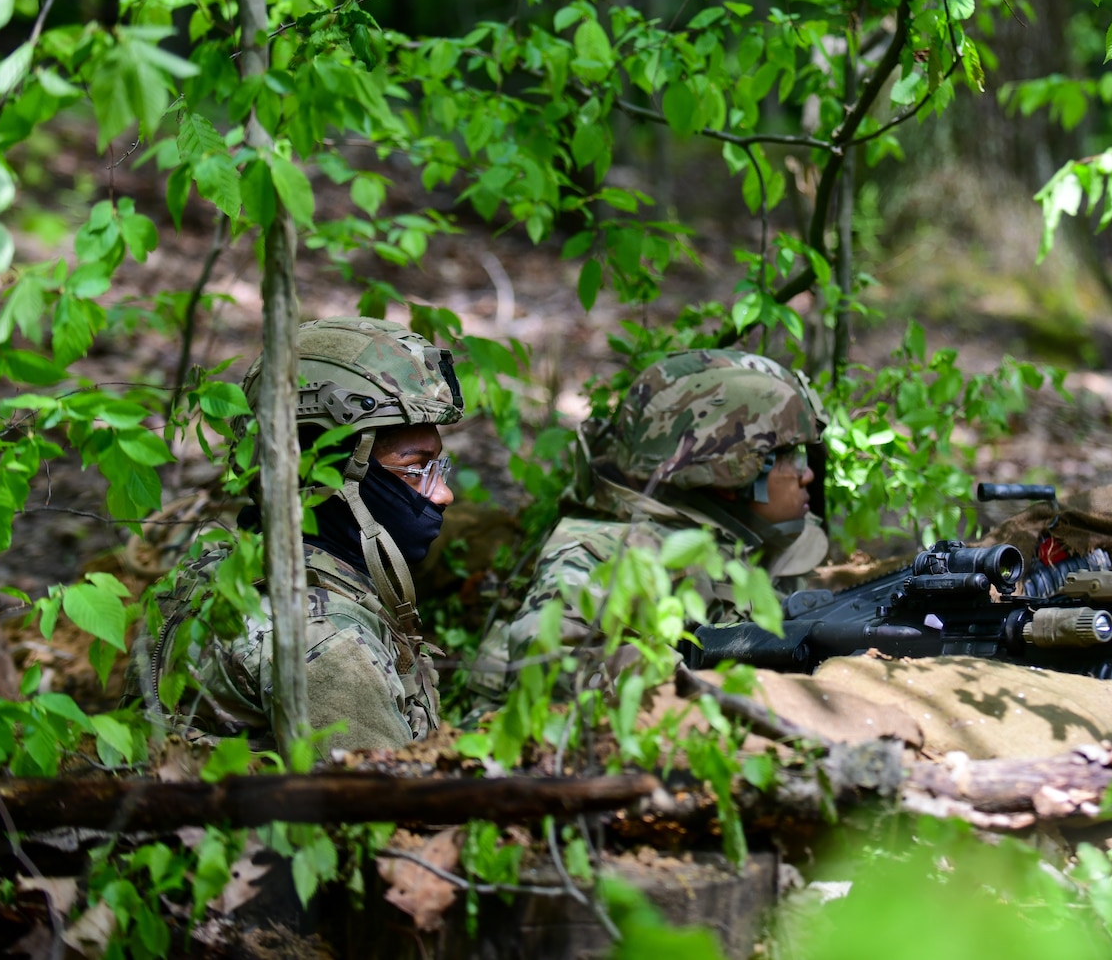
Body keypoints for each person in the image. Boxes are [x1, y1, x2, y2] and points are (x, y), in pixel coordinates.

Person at [137, 317, 463, 750]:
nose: (443, 494)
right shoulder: (322, 639)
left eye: (437, 467)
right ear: (324, 473)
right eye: (415, 468)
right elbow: (390, 812)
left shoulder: (220, 574)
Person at [468, 348, 830, 699]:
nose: (807, 474)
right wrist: (697, 685)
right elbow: (548, 662)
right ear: (734, 468)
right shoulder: (606, 554)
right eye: (790, 458)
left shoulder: (748, 538)